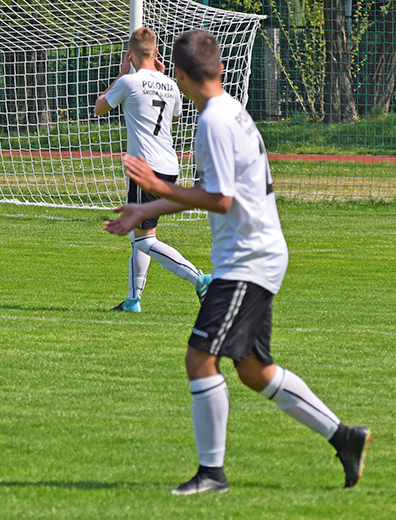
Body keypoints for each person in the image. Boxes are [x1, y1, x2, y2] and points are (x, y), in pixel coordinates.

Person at [104, 30, 371, 494]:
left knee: (199, 359)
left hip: (248, 261)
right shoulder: (230, 112)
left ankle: (212, 474)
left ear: (181, 74)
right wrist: (146, 209)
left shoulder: (215, 123)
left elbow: (221, 200)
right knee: (253, 370)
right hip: (255, 256)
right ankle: (345, 437)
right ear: (221, 69)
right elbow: (213, 193)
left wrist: (157, 189)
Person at [95, 27, 211, 313]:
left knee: (145, 240)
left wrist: (122, 76)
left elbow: (99, 108)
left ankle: (201, 279)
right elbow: (175, 114)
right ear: (156, 53)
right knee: (141, 234)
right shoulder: (170, 84)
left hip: (145, 169)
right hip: (170, 166)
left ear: (130, 55)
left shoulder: (129, 82)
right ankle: (133, 300)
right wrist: (159, 76)